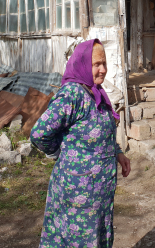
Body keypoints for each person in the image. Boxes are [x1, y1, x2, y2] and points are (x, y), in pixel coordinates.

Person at [31, 39, 131, 248]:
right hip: (77, 193)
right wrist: (59, 152)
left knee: (96, 238)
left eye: (104, 63)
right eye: (97, 64)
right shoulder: (72, 94)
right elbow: (40, 133)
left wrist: (118, 153)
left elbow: (103, 133)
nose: (103, 69)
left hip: (99, 192)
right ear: (83, 64)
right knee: (74, 240)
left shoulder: (97, 93)